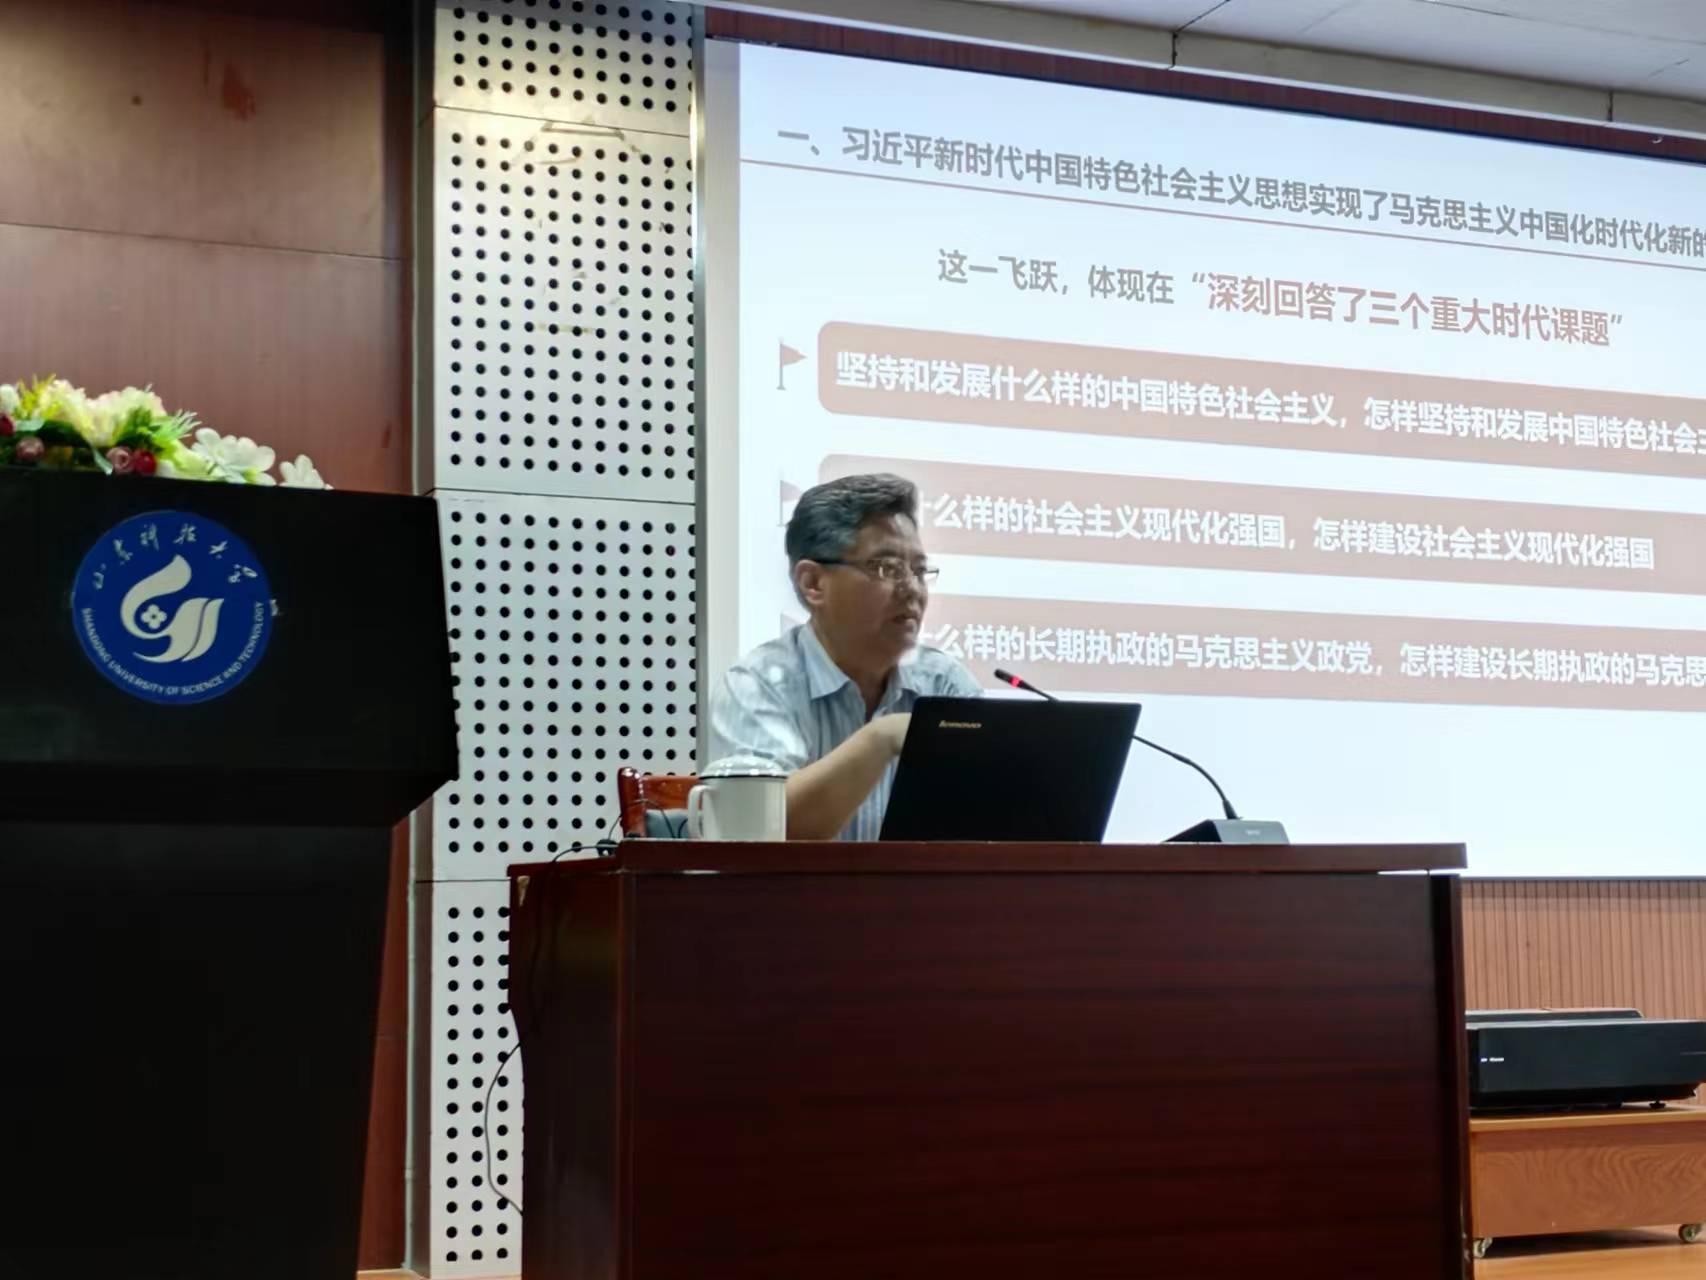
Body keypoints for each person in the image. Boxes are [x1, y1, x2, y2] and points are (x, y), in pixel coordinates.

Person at [706, 472, 981, 839]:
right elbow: (760, 834)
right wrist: (880, 739)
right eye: (887, 568)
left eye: (918, 570)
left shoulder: (944, 683)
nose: (912, 589)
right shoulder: (758, 685)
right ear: (813, 583)